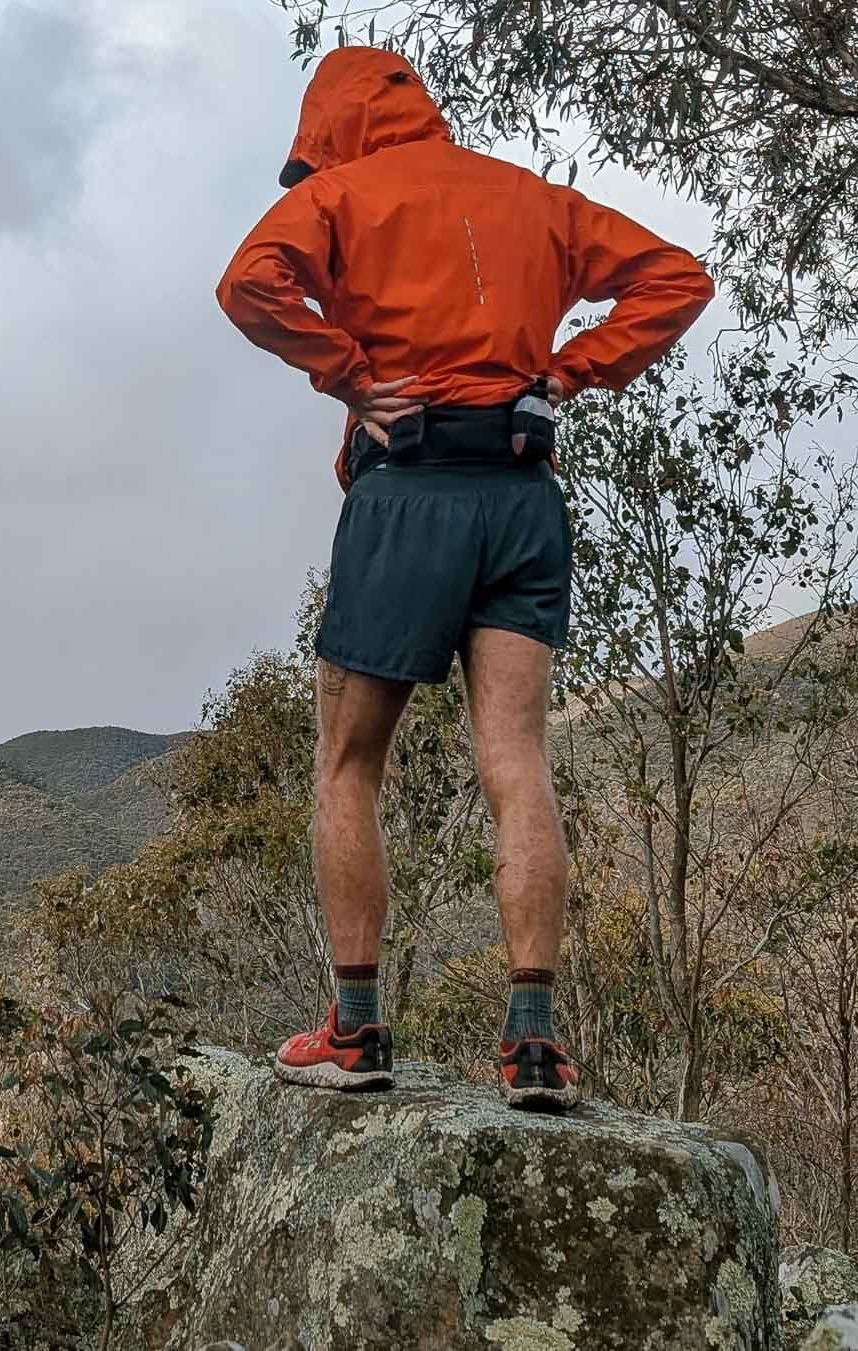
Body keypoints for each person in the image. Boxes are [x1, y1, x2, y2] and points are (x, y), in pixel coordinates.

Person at [216, 45, 714, 1111]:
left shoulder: (345, 195)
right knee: (517, 760)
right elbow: (677, 278)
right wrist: (571, 371)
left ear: (331, 132)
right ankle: (534, 1044)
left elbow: (246, 285)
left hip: (411, 494)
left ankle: (356, 1031)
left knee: (349, 764)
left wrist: (350, 375)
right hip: (524, 500)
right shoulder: (528, 197)